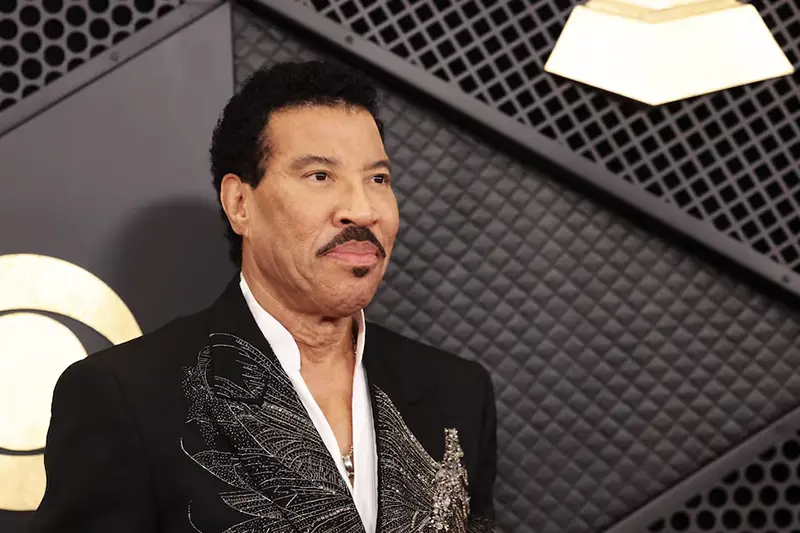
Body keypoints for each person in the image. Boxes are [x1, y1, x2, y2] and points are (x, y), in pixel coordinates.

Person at [31, 60, 497, 533]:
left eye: (378, 179)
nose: (362, 209)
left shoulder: (457, 392)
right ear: (240, 204)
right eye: (320, 176)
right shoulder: (127, 398)